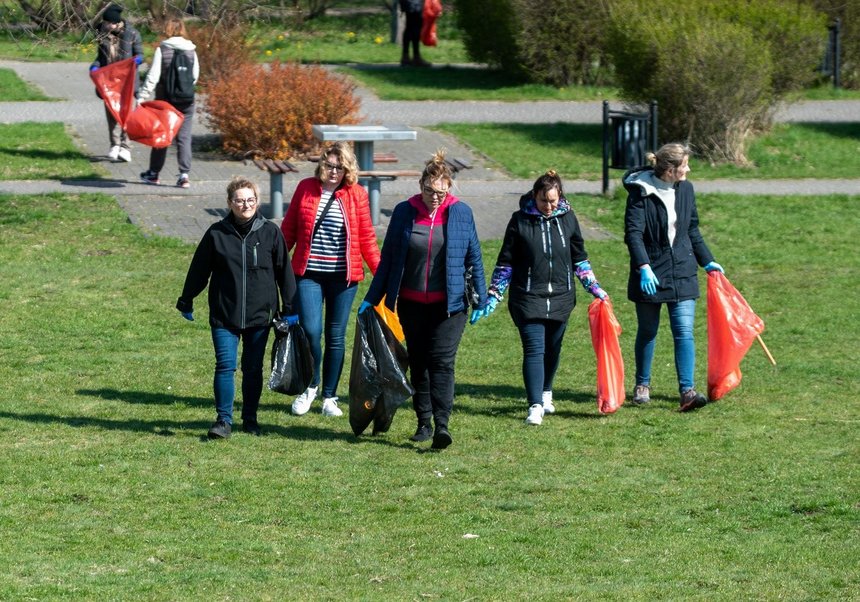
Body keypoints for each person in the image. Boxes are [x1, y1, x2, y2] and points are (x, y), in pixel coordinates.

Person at [358, 150, 487, 449]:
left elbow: (474, 257)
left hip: (450, 305)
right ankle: (423, 422)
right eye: (430, 191)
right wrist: (372, 298)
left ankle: (442, 425)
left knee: (441, 361)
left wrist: (480, 299)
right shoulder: (405, 211)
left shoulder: (461, 212)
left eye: (442, 192)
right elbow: (389, 257)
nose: (435, 198)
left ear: (449, 189)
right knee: (419, 362)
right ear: (421, 186)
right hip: (412, 303)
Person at [475, 170, 608, 426]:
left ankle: (547, 391)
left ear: (560, 197)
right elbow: (506, 263)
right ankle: (534, 405)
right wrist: (493, 295)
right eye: (543, 201)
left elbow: (579, 258)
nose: (548, 206)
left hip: (561, 296)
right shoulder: (519, 221)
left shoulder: (568, 218)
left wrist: (594, 287)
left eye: (553, 201)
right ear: (534, 196)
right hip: (527, 297)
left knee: (553, 348)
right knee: (534, 349)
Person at [176, 177, 297, 439]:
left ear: (257, 201)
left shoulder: (271, 233)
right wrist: (186, 298)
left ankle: (250, 418)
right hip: (224, 314)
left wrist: (290, 308)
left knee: (253, 368)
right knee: (225, 366)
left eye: (250, 200)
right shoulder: (216, 233)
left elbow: (284, 273)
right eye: (240, 200)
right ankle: (223, 421)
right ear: (230, 203)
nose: (246, 205)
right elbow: (199, 270)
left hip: (259, 316)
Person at [280, 142, 380, 418]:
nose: (334, 172)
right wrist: (272, 261)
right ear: (321, 165)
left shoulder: (356, 194)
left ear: (348, 169)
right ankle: (310, 387)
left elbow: (367, 238)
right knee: (311, 331)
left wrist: (383, 277)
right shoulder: (305, 188)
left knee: (336, 337)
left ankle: (329, 397)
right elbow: (288, 229)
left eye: (340, 167)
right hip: (308, 274)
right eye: (330, 166)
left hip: (343, 279)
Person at [623, 143, 724, 412]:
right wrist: (643, 266)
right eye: (684, 166)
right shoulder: (640, 192)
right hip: (651, 273)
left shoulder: (686, 189)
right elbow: (633, 234)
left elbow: (691, 229)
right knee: (648, 331)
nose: (688, 169)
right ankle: (642, 385)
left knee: (684, 332)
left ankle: (687, 391)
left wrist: (708, 260)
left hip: (682, 271)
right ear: (670, 170)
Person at [138, 17, 199, 189]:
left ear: (168, 29)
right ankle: (184, 176)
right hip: (186, 101)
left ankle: (154, 174)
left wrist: (142, 97)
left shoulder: (163, 49)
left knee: (162, 135)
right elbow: (194, 76)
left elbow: (153, 77)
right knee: (184, 138)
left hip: (165, 101)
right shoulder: (191, 50)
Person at [89, 3, 143, 163]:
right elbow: (101, 58)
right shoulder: (102, 35)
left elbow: (140, 55)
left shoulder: (132, 34)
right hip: (109, 82)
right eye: (104, 23)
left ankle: (125, 147)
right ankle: (114, 144)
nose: (105, 26)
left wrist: (137, 60)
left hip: (127, 83)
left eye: (108, 23)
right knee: (112, 113)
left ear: (115, 22)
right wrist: (95, 66)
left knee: (127, 115)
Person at [399, 0, 430, 67]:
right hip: (414, 2)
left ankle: (406, 57)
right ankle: (415, 58)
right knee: (415, 26)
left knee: (410, 26)